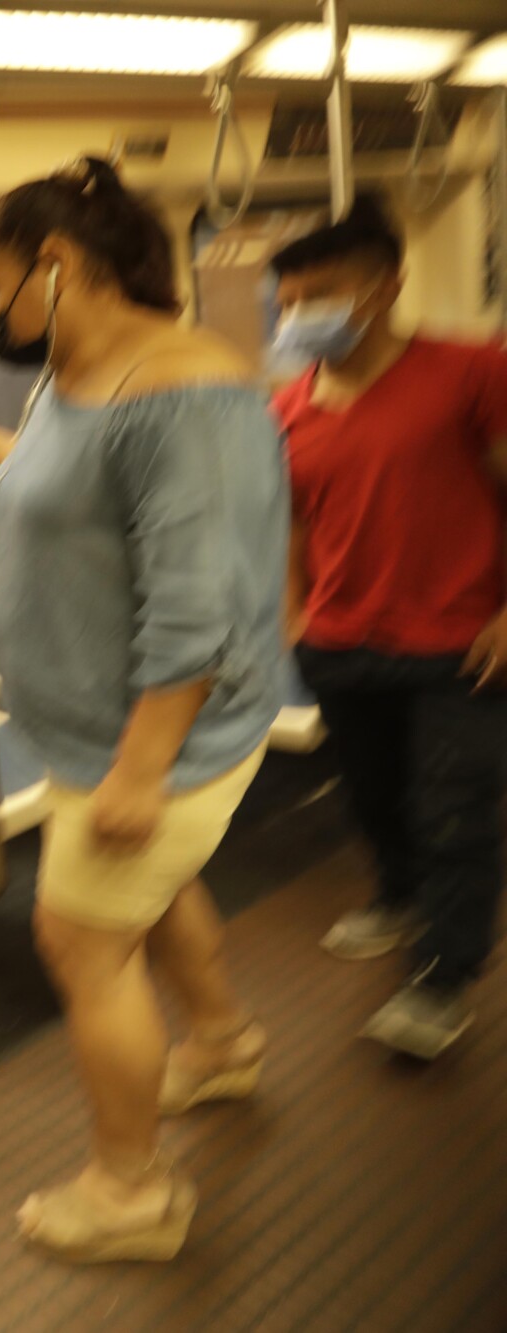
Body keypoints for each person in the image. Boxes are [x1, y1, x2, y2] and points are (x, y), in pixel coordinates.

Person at [0, 157, 286, 1262]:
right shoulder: (74, 376)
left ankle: (129, 1189)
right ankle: (221, 1043)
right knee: (155, 891)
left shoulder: (182, 391)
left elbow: (196, 609)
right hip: (86, 729)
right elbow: (78, 494)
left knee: (81, 941)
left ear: (58, 263)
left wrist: (140, 770)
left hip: (153, 742)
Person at [269, 196, 507, 1059]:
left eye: (321, 295)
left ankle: (444, 977)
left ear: (387, 286)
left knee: (454, 809)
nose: (300, 317)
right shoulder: (290, 405)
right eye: (290, 301)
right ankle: (399, 894)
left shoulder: (470, 372)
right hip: (339, 641)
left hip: (458, 641)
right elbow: (294, 522)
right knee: (374, 798)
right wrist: (296, 612)